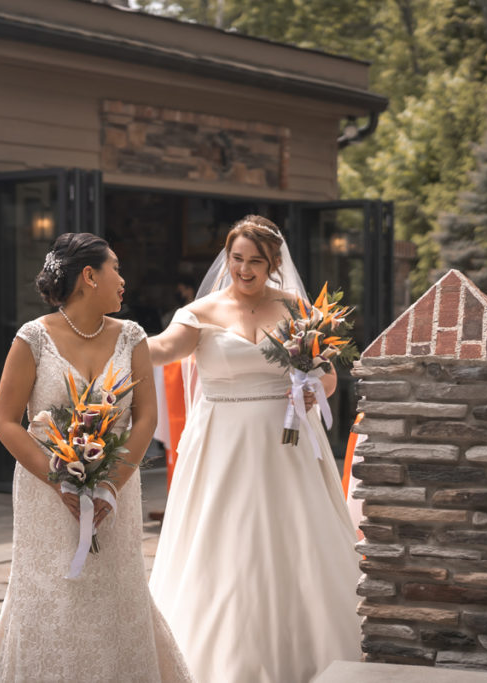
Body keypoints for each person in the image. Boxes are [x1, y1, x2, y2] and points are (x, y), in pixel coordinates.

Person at [147, 216, 360, 683]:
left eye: (255, 262)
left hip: (285, 442)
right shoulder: (200, 313)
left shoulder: (298, 309)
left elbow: (327, 374)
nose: (244, 269)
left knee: (292, 538)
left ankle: (306, 651)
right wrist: (112, 341)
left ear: (273, 264)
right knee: (225, 541)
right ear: (227, 258)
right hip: (221, 443)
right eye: (237, 259)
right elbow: (163, 348)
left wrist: (314, 389)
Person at [0, 232, 191, 682]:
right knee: (51, 592)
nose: (123, 280)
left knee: (115, 589)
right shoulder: (32, 338)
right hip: (46, 491)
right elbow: (5, 421)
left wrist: (111, 482)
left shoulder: (132, 336)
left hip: (118, 487)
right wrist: (58, 480)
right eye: (116, 268)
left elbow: (146, 419)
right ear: (89, 276)